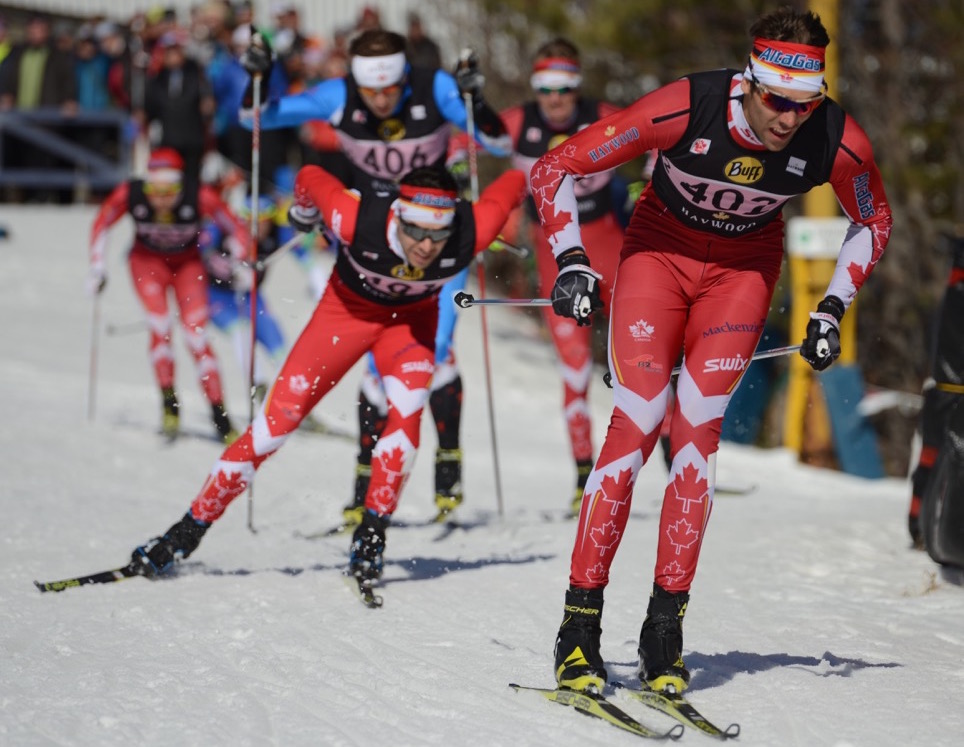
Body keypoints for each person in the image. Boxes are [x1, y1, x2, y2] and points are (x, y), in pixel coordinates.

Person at [529, 7, 893, 695]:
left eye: (804, 102)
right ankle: (579, 628)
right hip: (656, 257)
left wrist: (834, 303)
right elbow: (554, 168)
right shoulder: (686, 106)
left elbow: (874, 218)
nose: (788, 118)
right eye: (776, 101)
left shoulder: (836, 141)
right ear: (750, 82)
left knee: (696, 440)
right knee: (635, 424)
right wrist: (572, 258)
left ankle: (663, 631)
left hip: (741, 274)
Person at [127, 164, 526, 583]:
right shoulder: (355, 217)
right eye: (415, 232)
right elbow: (311, 175)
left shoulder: (472, 229)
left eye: (438, 235)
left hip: (409, 326)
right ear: (398, 216)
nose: (426, 246)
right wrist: (302, 213)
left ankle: (371, 539)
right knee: (273, 430)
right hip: (343, 319)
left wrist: (564, 254)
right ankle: (184, 533)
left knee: (406, 416)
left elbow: (519, 178)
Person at [240, 27, 512, 524]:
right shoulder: (337, 94)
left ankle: (446, 460)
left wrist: (478, 99)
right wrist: (257, 79)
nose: (383, 100)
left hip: (435, 241)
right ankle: (364, 484)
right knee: (374, 366)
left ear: (405, 76)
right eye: (372, 91)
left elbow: (495, 139)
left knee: (435, 349)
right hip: (372, 242)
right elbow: (253, 118)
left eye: (391, 88)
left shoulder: (434, 90)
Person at [496, 38, 627, 516]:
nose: (555, 99)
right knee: (574, 371)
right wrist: (490, 213)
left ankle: (676, 466)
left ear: (578, 86)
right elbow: (456, 145)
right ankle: (582, 478)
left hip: (614, 253)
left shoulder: (605, 115)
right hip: (559, 263)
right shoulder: (516, 123)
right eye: (545, 88)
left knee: (646, 364)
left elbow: (666, 135)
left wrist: (647, 184)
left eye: (565, 88)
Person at [88, 147, 250, 444]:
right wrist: (98, 267)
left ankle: (220, 416)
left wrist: (241, 262)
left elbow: (235, 226)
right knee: (160, 326)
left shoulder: (198, 194)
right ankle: (169, 405)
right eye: (153, 189)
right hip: (147, 265)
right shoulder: (131, 193)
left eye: (169, 190)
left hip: (187, 266)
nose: (160, 198)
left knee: (196, 337)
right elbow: (101, 224)